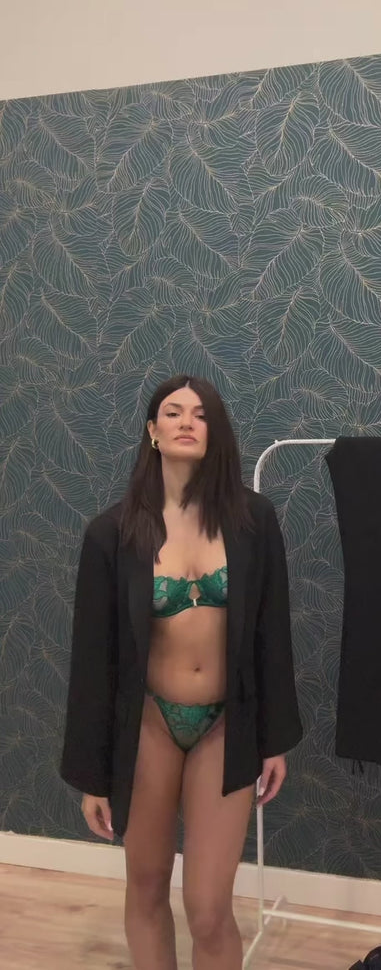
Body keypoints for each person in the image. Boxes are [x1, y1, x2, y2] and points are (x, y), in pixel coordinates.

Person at [60, 374, 303, 970]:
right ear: (153, 431)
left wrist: (273, 740)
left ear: (215, 432)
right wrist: (94, 775)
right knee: (145, 887)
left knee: (208, 907)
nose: (187, 421)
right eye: (173, 412)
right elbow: (93, 661)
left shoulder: (253, 521)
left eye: (200, 413)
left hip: (226, 724)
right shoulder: (112, 534)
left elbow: (273, 635)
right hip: (149, 725)